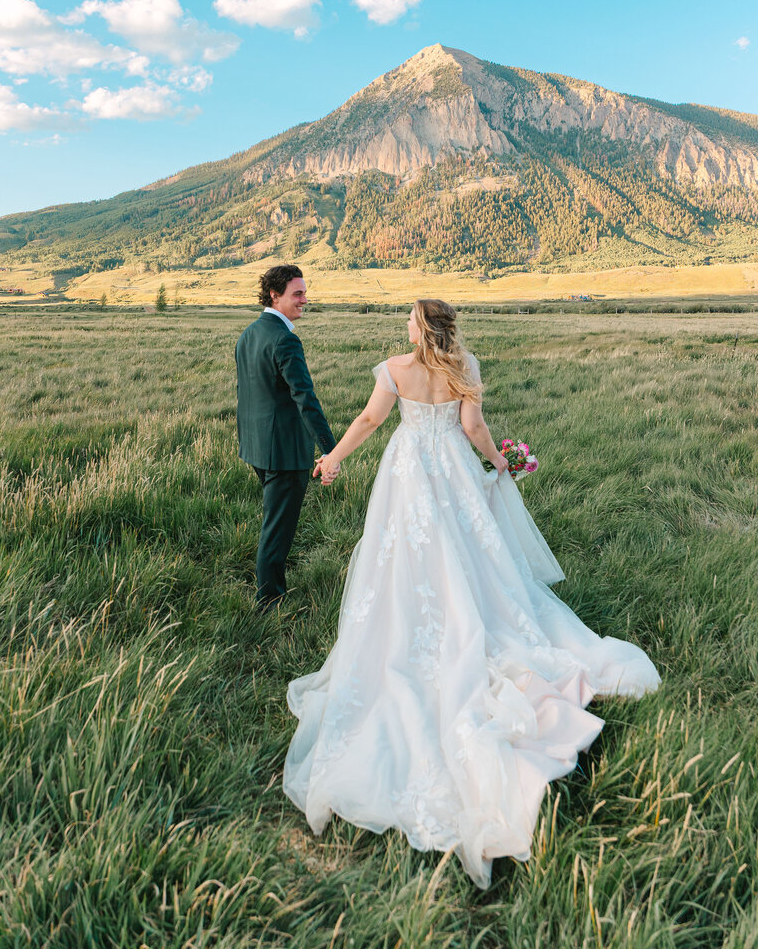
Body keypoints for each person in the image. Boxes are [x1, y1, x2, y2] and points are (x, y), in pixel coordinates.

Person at [282, 299, 660, 887]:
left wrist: (332, 458)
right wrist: (498, 463)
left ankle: (411, 627)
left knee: (406, 554)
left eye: (409, 319)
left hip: (408, 472)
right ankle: (474, 620)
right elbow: (473, 428)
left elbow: (368, 423)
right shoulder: (467, 367)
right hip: (452, 468)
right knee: (474, 557)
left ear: (418, 328)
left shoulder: (394, 370)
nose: (404, 326)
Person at [235, 265, 338, 610]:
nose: (304, 300)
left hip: (256, 447)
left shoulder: (248, 334)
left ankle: (270, 590)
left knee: (272, 523)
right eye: (298, 293)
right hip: (284, 452)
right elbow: (305, 399)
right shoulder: (285, 339)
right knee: (277, 532)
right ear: (274, 295)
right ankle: (269, 604)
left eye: (305, 293)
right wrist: (332, 451)